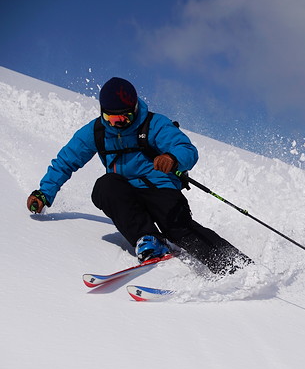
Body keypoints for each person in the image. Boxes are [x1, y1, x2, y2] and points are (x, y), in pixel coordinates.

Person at [27, 77, 252, 274]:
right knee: (104, 187)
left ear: (135, 108)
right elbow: (66, 161)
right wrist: (44, 193)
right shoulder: (96, 132)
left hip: (160, 188)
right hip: (127, 194)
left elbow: (187, 149)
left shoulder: (154, 124)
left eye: (125, 118)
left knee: (179, 229)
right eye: (112, 119)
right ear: (102, 112)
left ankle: (236, 266)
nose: (119, 124)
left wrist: (172, 158)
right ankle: (149, 240)